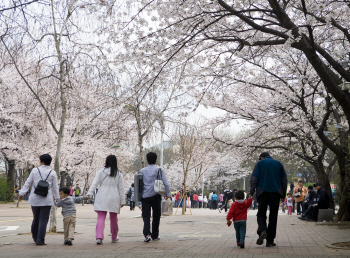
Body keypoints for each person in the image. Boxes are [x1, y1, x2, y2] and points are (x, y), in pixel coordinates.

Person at [18, 154, 60, 245]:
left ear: (42, 161)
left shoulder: (35, 170)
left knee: (36, 218)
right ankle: (40, 240)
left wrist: (21, 193)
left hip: (35, 199)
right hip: (47, 199)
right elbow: (55, 188)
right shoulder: (52, 173)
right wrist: (57, 199)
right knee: (43, 220)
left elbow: (28, 182)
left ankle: (35, 237)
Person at [249, 152, 287, 247]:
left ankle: (262, 230)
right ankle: (270, 240)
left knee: (261, 213)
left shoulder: (260, 163)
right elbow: (284, 180)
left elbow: (254, 179)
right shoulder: (278, 164)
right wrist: (283, 194)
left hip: (263, 192)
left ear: (261, 157)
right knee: (273, 216)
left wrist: (251, 192)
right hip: (276, 193)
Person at [87, 155, 125, 244]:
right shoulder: (118, 173)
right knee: (114, 218)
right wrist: (123, 200)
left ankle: (99, 237)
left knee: (101, 217)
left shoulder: (101, 171)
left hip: (102, 195)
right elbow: (121, 188)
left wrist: (89, 193)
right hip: (114, 196)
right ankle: (114, 236)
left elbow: (95, 183)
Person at [140, 152, 170, 242]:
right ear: (155, 160)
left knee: (146, 216)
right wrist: (167, 194)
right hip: (156, 195)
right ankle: (155, 235)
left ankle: (147, 234)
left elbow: (139, 184)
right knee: (156, 215)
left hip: (145, 196)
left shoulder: (142, 171)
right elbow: (166, 183)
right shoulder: (159, 170)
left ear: (147, 160)